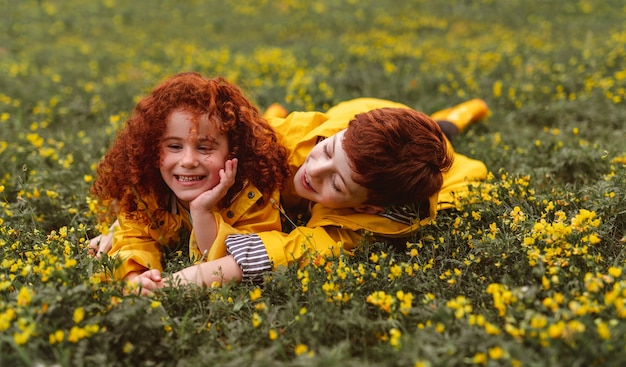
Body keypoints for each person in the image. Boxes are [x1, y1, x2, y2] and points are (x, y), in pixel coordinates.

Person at [121, 97, 489, 294]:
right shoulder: (312, 135)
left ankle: (458, 115)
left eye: (337, 185)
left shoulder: (373, 219)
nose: (312, 172)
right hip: (357, 111)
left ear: (365, 204)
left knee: (450, 141)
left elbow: (271, 255)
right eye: (326, 152)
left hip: (439, 158)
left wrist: (169, 285)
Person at [89, 72, 291, 281]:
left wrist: (201, 211)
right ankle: (274, 112)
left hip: (291, 134)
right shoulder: (147, 191)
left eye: (204, 147)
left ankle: (276, 113)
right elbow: (133, 238)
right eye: (174, 146)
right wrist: (136, 278)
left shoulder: (253, 193)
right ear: (152, 149)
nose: (188, 160)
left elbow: (229, 264)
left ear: (233, 152)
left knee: (273, 127)